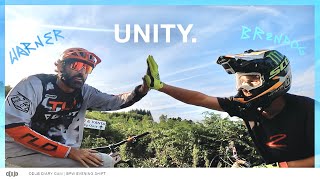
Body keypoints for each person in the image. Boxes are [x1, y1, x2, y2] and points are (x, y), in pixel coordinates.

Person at [144, 49, 314, 167]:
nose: (244, 87)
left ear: (276, 79)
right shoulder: (245, 107)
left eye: (252, 80)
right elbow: (200, 99)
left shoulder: (309, 109)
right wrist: (160, 86)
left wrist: (281, 168)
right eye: (241, 80)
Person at [5, 47, 149, 168]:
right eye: (76, 66)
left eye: (87, 68)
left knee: (100, 160)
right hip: (21, 151)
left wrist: (142, 90)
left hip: (60, 152)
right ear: (60, 66)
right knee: (104, 162)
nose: (82, 72)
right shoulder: (34, 84)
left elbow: (115, 101)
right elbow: (14, 128)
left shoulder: (85, 92)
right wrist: (70, 152)